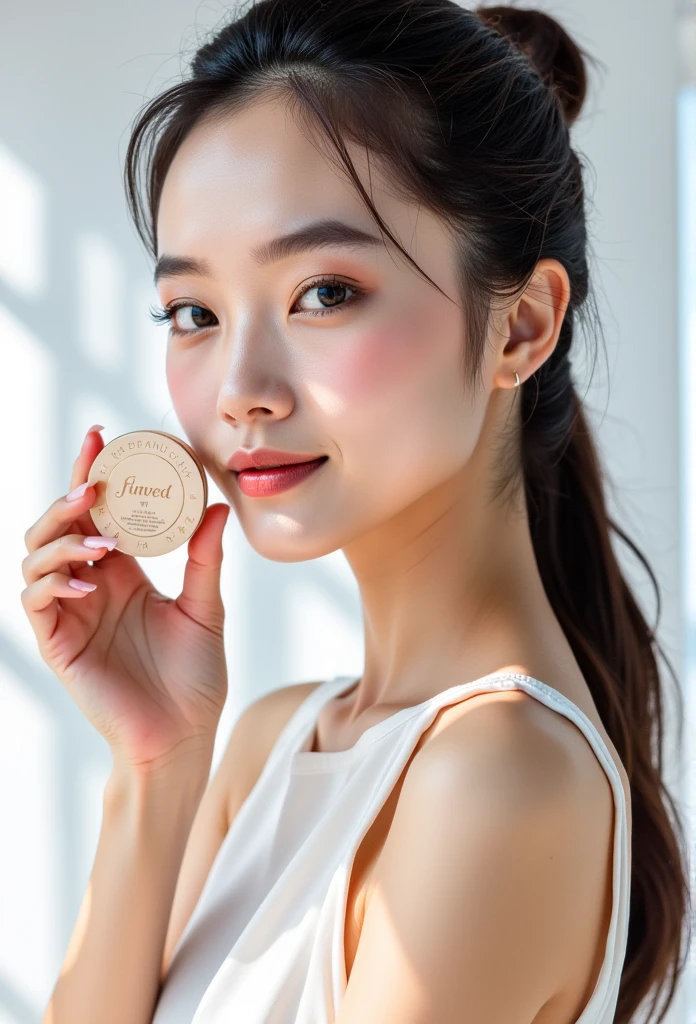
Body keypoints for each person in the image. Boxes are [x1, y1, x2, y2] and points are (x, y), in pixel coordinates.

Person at [22, 1, 691, 1021]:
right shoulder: (271, 741)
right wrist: (155, 770)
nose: (242, 387)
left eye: (324, 292)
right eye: (194, 312)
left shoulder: (500, 776)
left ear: (521, 326)